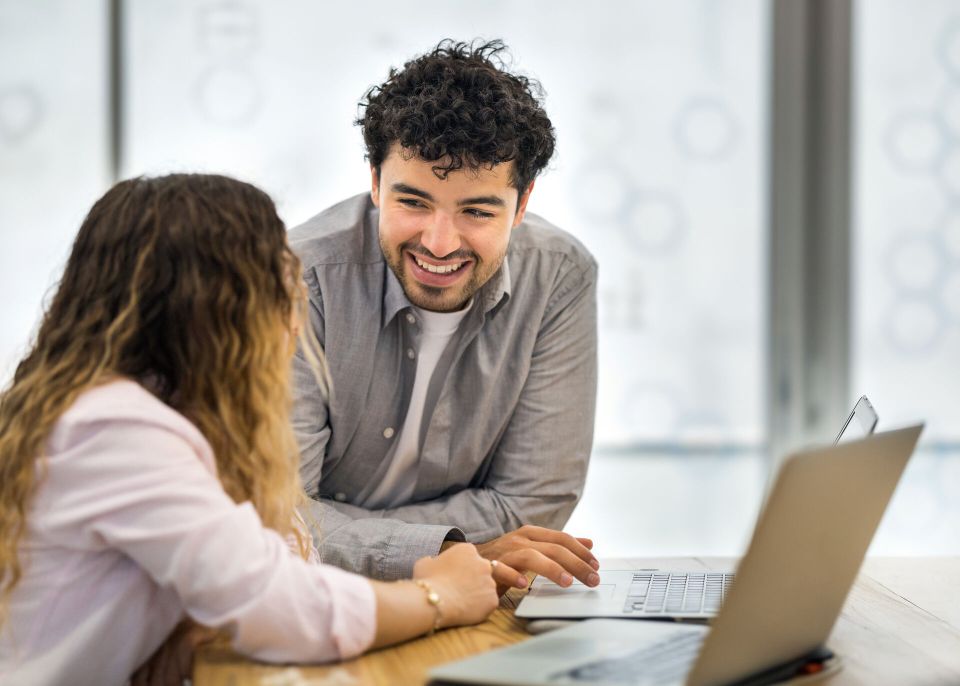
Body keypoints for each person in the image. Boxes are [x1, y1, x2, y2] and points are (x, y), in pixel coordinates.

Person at [0, 174, 500, 686]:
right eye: (277, 275)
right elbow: (282, 606)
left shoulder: (157, 415)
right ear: (220, 305)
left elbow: (282, 556)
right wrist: (441, 597)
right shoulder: (115, 429)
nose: (295, 303)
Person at [290, 39, 600, 592]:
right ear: (375, 182)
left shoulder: (560, 275)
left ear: (522, 203)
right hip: (316, 596)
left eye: (477, 211)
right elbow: (279, 516)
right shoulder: (298, 274)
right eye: (412, 202)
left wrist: (347, 537)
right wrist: (452, 548)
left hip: (479, 590)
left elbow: (536, 502)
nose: (438, 244)